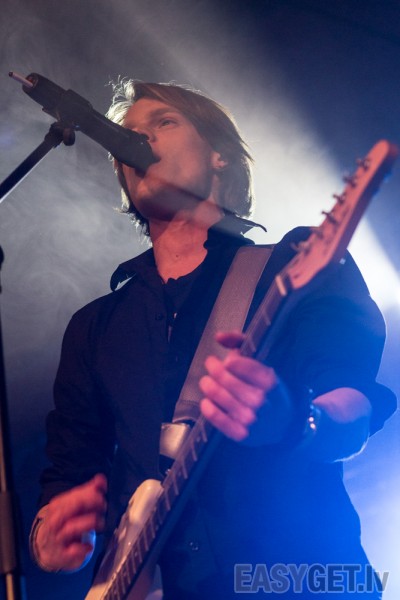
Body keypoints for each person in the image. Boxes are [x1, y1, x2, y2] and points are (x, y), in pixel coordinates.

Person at [29, 81, 396, 599]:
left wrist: (296, 419)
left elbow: (353, 402)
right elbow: (69, 471)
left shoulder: (291, 267)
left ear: (219, 156)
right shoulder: (96, 326)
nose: (137, 138)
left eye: (163, 122)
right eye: (127, 133)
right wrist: (49, 539)